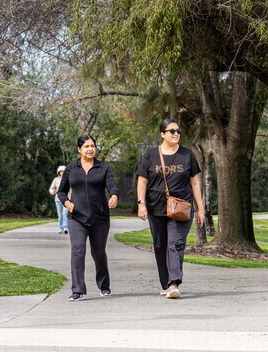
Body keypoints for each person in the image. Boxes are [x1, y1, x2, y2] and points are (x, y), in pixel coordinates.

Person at [136, 118, 205, 299]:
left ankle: (175, 282)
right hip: (156, 207)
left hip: (181, 208)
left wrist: (201, 209)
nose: (176, 134)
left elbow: (195, 183)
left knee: (175, 243)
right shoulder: (150, 155)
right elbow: (142, 181)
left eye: (178, 131)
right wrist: (141, 203)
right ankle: (166, 283)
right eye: (172, 131)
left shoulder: (187, 155)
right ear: (162, 134)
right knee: (160, 245)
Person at [58, 135, 119, 302]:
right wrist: (67, 203)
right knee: (78, 250)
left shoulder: (103, 167)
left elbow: (112, 185)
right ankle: (78, 290)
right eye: (86, 146)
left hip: (99, 217)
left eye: (92, 146)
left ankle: (104, 285)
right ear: (79, 149)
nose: (90, 149)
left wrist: (114, 195)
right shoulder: (71, 169)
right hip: (76, 217)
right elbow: (61, 191)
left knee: (98, 252)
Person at [49, 165, 69, 234]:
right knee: (60, 214)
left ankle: (66, 228)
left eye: (63, 171)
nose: (62, 172)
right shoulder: (56, 180)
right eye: (61, 171)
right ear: (59, 172)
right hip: (58, 199)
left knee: (65, 213)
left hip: (67, 199)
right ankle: (60, 227)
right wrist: (53, 192)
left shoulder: (69, 179)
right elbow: (51, 189)